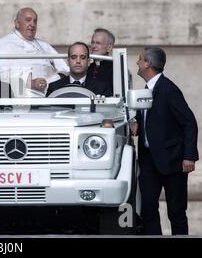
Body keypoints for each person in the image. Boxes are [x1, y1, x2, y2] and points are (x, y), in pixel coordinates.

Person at [129, 46, 198, 235]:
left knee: (176, 211)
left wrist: (189, 156)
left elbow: (189, 123)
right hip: (149, 160)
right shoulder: (146, 89)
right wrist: (137, 126)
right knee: (148, 208)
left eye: (140, 59)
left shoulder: (168, 89)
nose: (137, 62)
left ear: (148, 64)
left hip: (173, 160)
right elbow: (153, 120)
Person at [0, 7, 68, 95]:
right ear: (17, 23)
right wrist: (30, 83)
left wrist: (51, 81)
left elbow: (65, 69)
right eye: (28, 20)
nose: (32, 24)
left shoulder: (44, 45)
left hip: (47, 94)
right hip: (13, 96)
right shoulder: (0, 45)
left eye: (35, 21)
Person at [46, 42, 112, 97]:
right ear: (68, 61)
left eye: (82, 57)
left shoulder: (102, 88)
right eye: (73, 57)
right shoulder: (53, 87)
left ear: (88, 62)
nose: (78, 61)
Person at [87, 28, 115, 92]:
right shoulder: (88, 69)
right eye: (92, 42)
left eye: (98, 43)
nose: (93, 46)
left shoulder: (116, 69)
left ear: (109, 48)